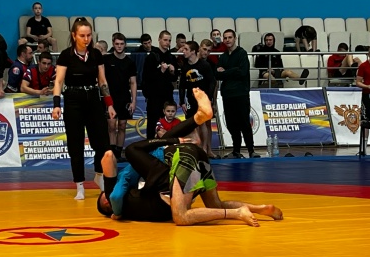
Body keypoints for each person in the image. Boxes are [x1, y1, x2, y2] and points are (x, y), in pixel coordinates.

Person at [98, 88, 284, 227]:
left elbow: (113, 178)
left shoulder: (125, 183)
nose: (106, 197)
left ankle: (237, 213)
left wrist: (116, 209)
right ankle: (259, 208)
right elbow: (112, 162)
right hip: (194, 158)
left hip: (182, 158)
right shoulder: (138, 182)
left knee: (181, 216)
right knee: (215, 204)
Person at [51, 17, 115, 200]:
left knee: (102, 143)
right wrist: (56, 105)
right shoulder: (66, 55)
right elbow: (59, 81)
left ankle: (99, 175)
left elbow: (102, 81)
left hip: (93, 98)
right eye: (82, 35)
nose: (86, 39)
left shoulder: (96, 55)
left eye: (89, 35)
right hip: (73, 100)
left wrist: (109, 104)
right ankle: (79, 184)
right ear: (74, 35)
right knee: (76, 145)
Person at [215, 29, 260, 159]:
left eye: (230, 37)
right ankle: (236, 151)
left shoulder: (242, 53)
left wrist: (226, 71)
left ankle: (251, 150)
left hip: (241, 94)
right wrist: (232, 71)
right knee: (231, 124)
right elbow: (217, 75)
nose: (227, 40)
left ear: (235, 38)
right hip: (227, 95)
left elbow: (242, 72)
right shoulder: (223, 56)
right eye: (225, 38)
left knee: (244, 123)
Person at [103, 33, 137, 161]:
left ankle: (118, 152)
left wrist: (133, 101)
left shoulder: (130, 62)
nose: (119, 46)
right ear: (113, 44)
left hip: (124, 98)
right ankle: (111, 153)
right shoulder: (106, 60)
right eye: (117, 44)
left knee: (122, 125)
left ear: (125, 45)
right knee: (111, 126)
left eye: (121, 44)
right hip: (110, 97)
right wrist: (106, 97)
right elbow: (102, 81)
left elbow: (133, 82)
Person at [179, 40, 215, 153]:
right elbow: (182, 86)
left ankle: (204, 148)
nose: (183, 51)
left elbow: (212, 82)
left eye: (186, 49)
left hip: (202, 99)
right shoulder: (185, 66)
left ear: (193, 51)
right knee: (192, 123)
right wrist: (182, 101)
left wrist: (209, 98)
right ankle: (197, 148)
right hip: (191, 99)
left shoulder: (204, 65)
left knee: (203, 123)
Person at [141, 30, 178, 140]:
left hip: (167, 94)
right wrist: (161, 71)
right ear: (159, 40)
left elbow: (174, 78)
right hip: (154, 96)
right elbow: (147, 77)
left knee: (168, 122)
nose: (167, 43)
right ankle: (150, 146)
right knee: (153, 123)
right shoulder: (152, 57)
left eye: (169, 40)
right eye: (165, 40)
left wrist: (172, 71)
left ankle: (167, 146)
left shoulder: (171, 57)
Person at [198, 38, 220, 159]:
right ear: (199, 48)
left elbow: (215, 85)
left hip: (207, 97)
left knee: (207, 124)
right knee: (196, 124)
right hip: (195, 97)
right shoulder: (192, 61)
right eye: (204, 49)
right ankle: (199, 149)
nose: (206, 52)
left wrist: (214, 102)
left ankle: (208, 150)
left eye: (209, 51)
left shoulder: (211, 64)